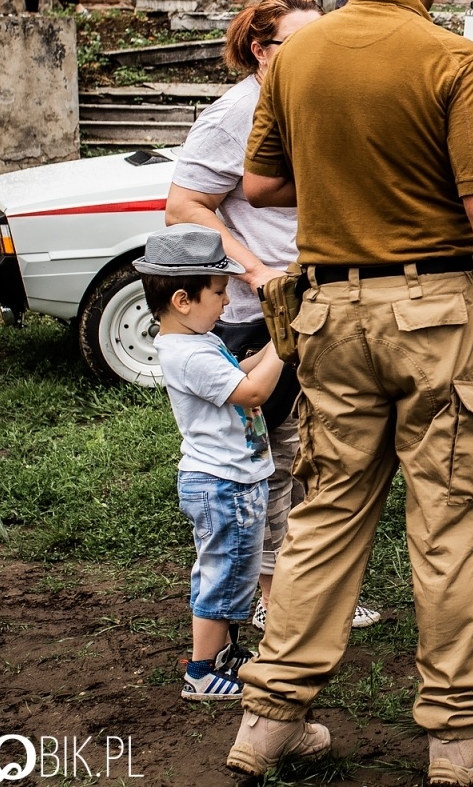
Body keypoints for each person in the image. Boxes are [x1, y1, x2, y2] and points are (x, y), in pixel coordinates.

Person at [227, 0, 473, 787]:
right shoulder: (453, 59)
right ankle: (459, 737)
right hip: (433, 317)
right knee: (449, 526)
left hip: (328, 318)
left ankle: (268, 724)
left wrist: (345, 176)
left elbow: (261, 186)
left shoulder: (297, 57)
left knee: (321, 518)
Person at [165, 0, 381, 635]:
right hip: (266, 314)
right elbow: (184, 207)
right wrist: (257, 273)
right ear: (261, 51)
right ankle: (269, 595)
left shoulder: (318, 98)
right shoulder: (236, 113)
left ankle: (318, 589)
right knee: (276, 458)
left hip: (331, 301)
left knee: (332, 449)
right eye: (299, 43)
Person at [136, 224, 285, 702]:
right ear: (183, 300)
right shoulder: (188, 355)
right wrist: (285, 346)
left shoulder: (199, 341)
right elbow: (254, 391)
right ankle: (200, 673)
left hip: (231, 480)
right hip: (223, 484)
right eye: (219, 292)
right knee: (224, 574)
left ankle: (222, 655)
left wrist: (273, 346)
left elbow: (238, 373)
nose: (226, 301)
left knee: (233, 570)